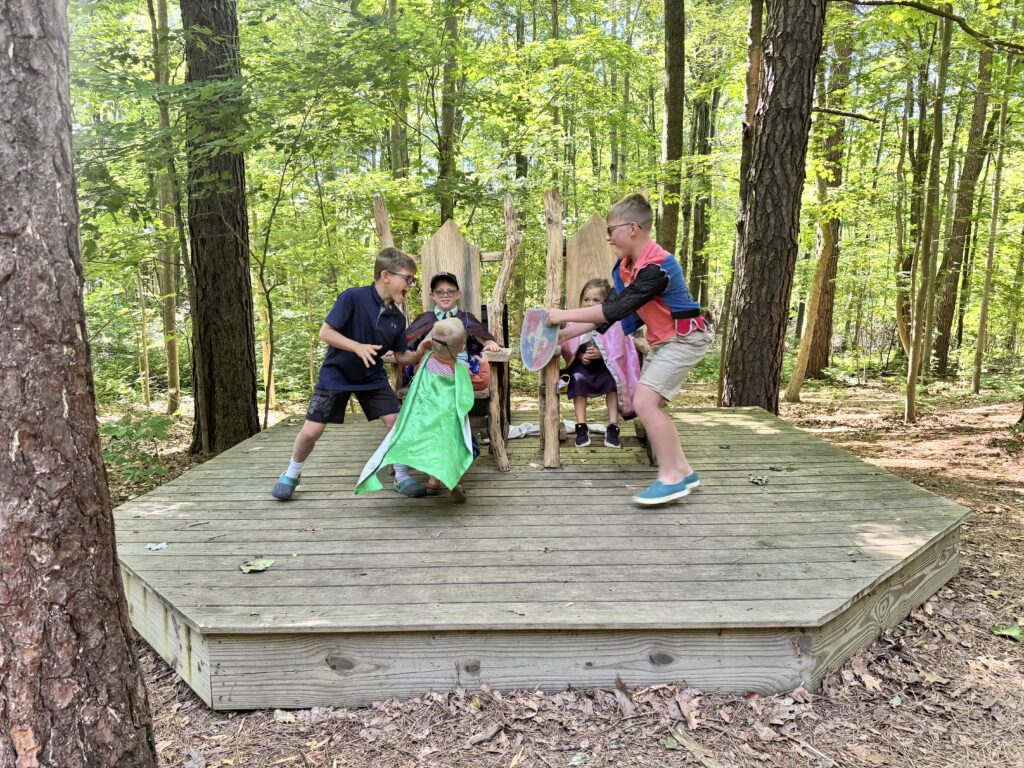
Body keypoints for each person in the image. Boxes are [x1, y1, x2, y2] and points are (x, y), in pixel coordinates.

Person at [547, 194, 711, 505]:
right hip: (664, 342)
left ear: (633, 228)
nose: (608, 238)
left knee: (645, 402)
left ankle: (671, 477)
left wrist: (563, 315)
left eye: (611, 230)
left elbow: (613, 309)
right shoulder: (624, 268)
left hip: (685, 339)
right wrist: (563, 334)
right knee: (646, 401)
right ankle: (684, 471)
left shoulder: (659, 266)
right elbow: (614, 316)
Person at [271, 247, 432, 501]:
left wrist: (419, 352)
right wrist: (357, 347)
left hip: (372, 377)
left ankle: (401, 476)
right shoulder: (352, 298)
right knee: (312, 431)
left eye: (413, 280)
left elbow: (401, 356)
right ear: (385, 276)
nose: (411, 284)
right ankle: (292, 472)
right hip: (336, 374)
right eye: (408, 278)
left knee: (397, 424)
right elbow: (326, 333)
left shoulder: (398, 319)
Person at [356, 318, 474, 502]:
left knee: (403, 437)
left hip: (420, 416)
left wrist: (427, 346)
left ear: (431, 343)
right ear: (462, 347)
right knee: (451, 446)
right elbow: (467, 397)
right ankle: (447, 480)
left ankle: (403, 473)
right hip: (446, 420)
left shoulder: (426, 360)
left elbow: (417, 367)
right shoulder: (461, 370)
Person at [559, 278, 641, 448]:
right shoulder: (575, 321)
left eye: (597, 300)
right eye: (586, 300)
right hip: (582, 367)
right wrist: (581, 356)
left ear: (607, 304)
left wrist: (602, 355)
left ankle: (612, 425)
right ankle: (581, 426)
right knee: (578, 380)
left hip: (607, 368)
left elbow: (619, 349)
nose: (590, 304)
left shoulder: (614, 323)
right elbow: (568, 348)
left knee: (611, 383)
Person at [405, 271, 500, 392]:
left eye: (451, 291)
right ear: (432, 295)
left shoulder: (466, 318)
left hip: (458, 373)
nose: (445, 295)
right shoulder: (425, 318)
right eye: (439, 292)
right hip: (431, 375)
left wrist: (489, 342)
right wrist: (396, 349)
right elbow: (407, 340)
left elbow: (483, 337)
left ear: (457, 294)